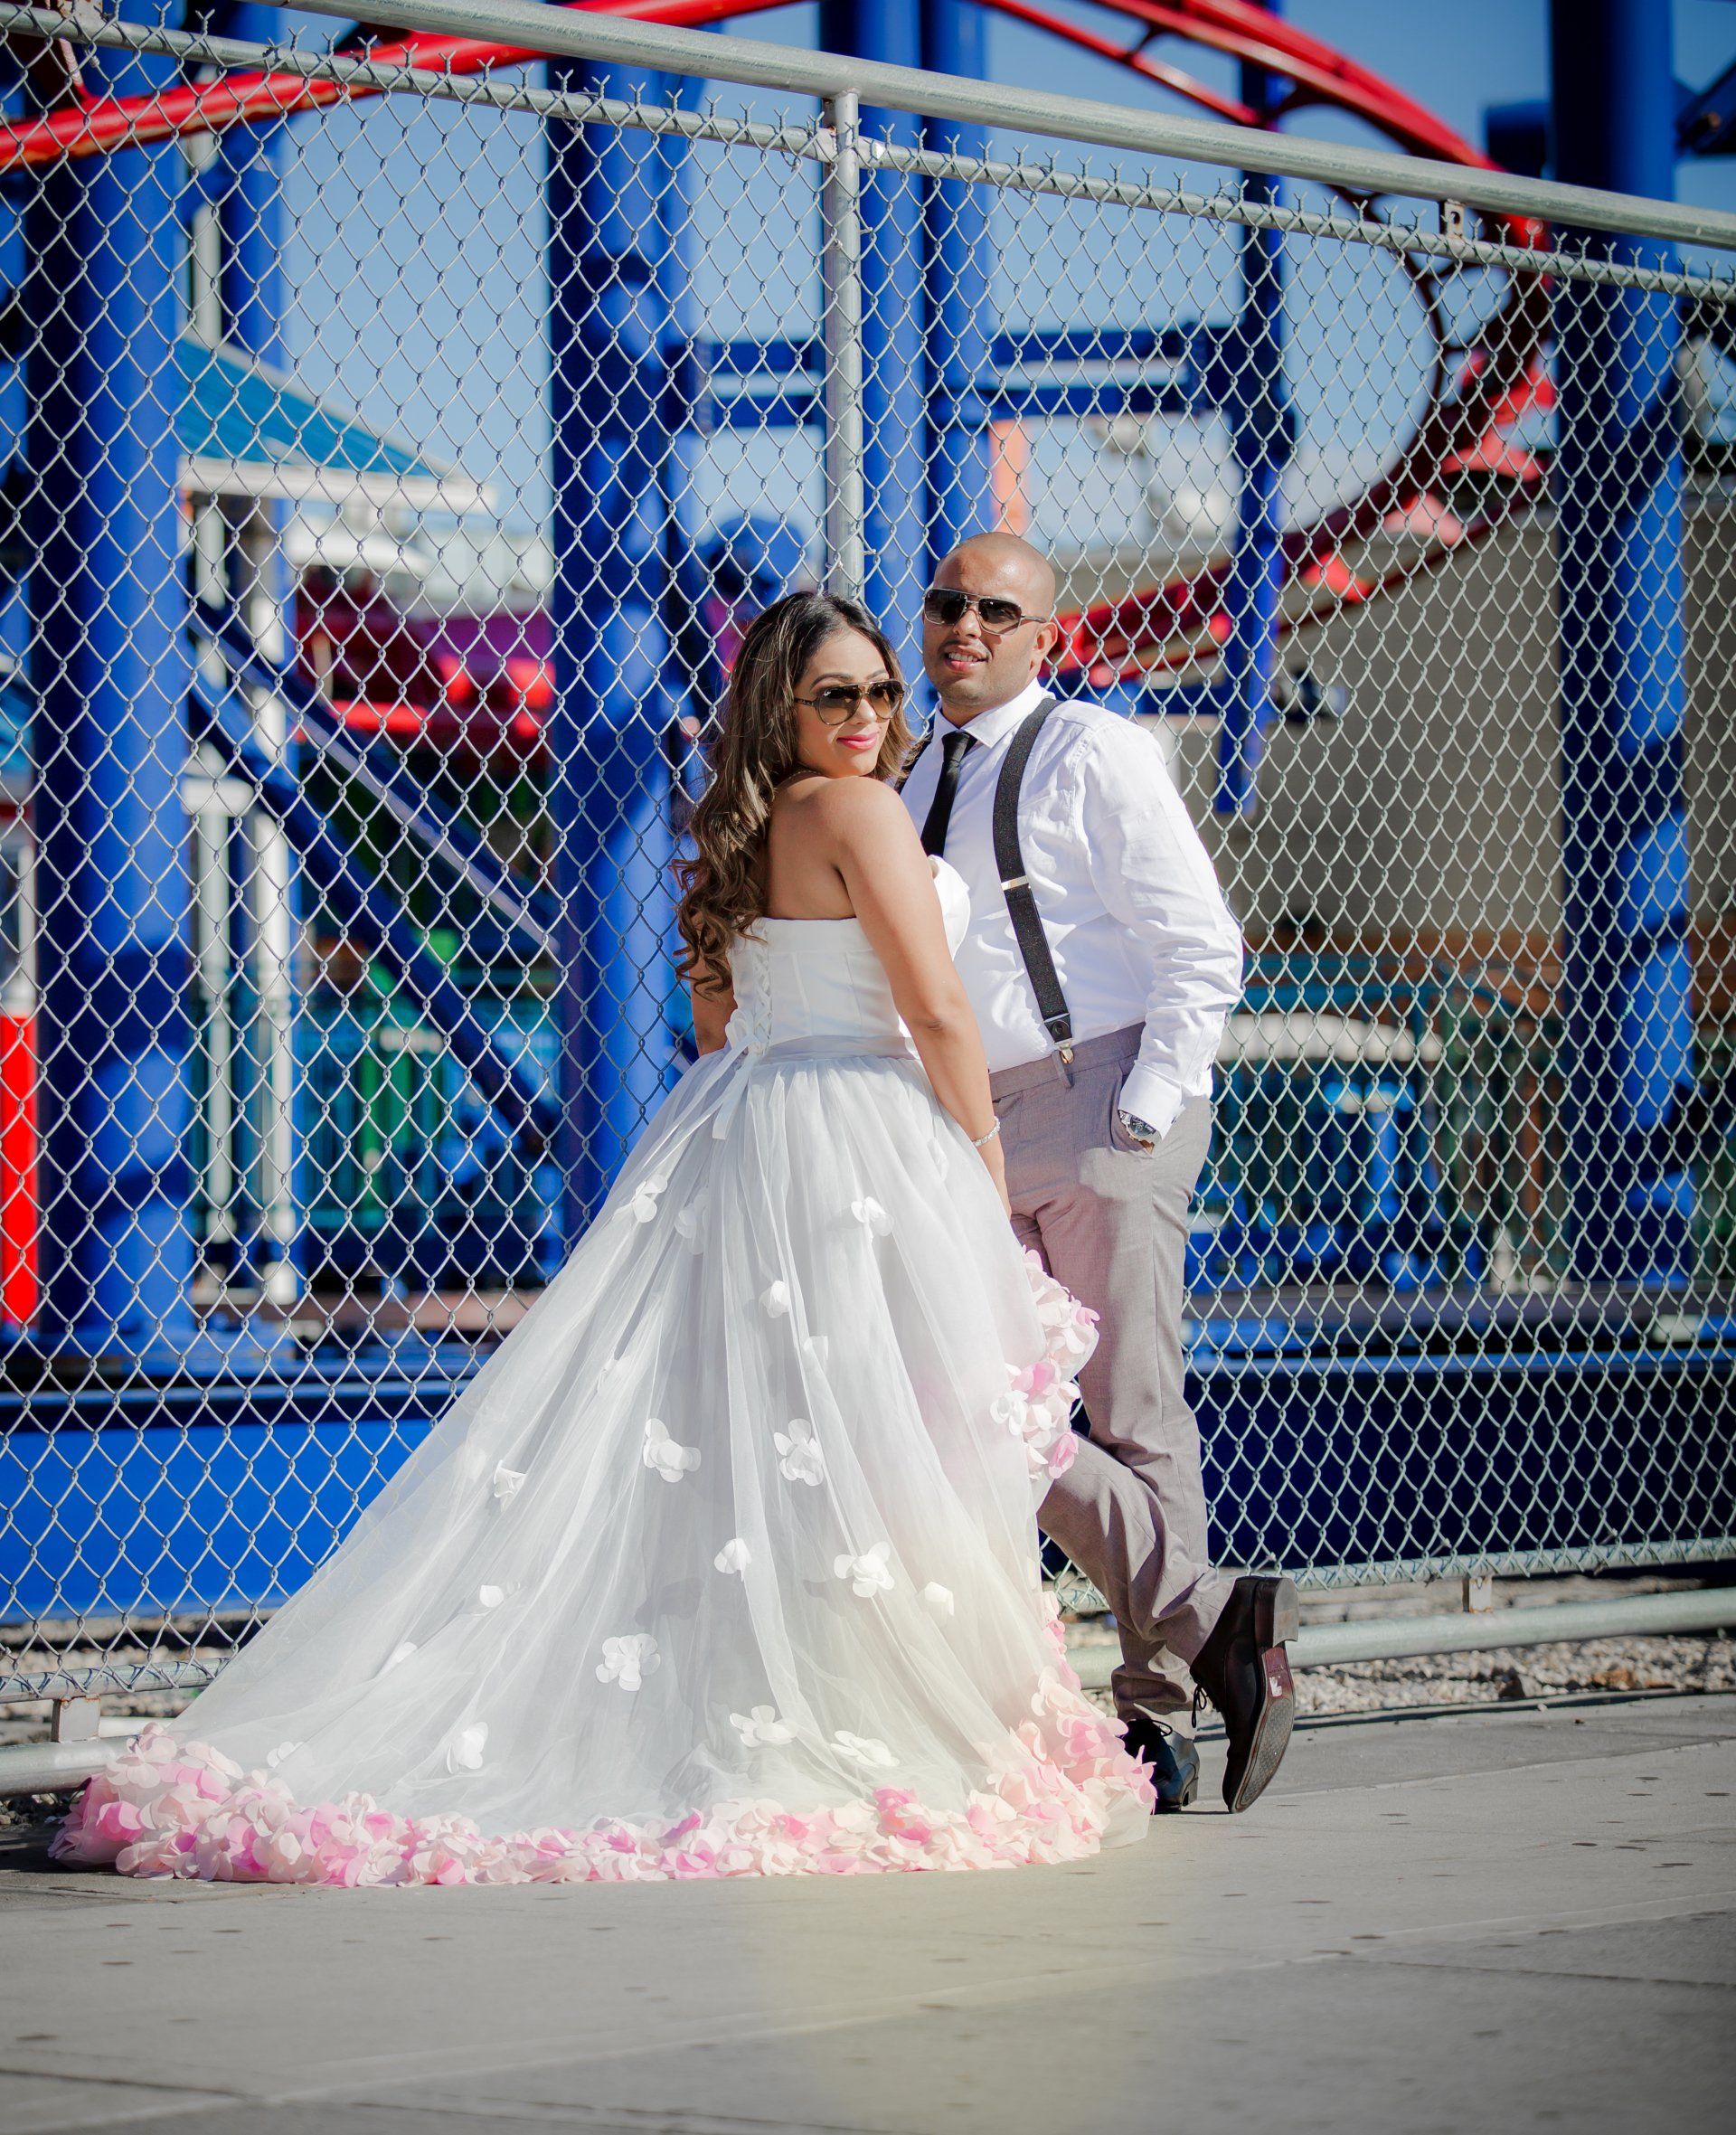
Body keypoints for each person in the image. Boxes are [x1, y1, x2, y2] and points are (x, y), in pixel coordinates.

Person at [54, 590, 1156, 1888]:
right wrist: (977, 1178)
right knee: (882, 1435)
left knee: (780, 1443)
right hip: (868, 1125)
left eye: (880, 694)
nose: (869, 719)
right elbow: (939, 1010)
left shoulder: (732, 834)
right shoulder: (856, 812)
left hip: (749, 1129)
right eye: (837, 697)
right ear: (783, 712)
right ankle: (861, 1698)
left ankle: (783, 1691)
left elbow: (714, 1024)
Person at [901, 532, 1297, 1815]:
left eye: (995, 610)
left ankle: (1152, 1718)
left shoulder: (1095, 751)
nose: (965, 625)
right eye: (948, 603)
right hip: (978, 1119)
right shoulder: (911, 775)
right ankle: (1213, 1621)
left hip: (1104, 1083)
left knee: (1129, 1405)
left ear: (1043, 635)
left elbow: (1202, 945)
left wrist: (1143, 1104)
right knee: (986, 1394)